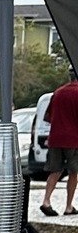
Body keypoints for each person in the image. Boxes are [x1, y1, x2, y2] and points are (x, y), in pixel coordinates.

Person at [39, 64, 78, 218]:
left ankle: (46, 201)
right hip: (74, 139)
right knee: (74, 172)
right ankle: (69, 206)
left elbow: (47, 117)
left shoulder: (58, 92)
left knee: (55, 170)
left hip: (55, 138)